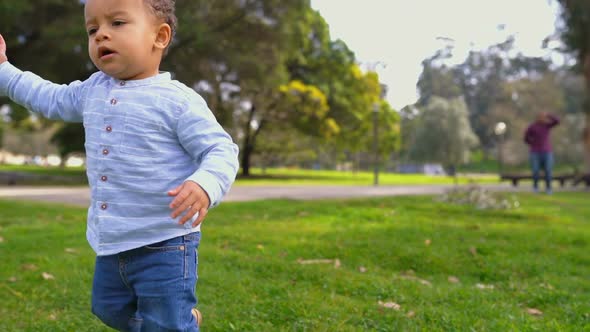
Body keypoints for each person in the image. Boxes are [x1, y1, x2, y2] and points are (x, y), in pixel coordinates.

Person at [0, 0, 239, 330]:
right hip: (111, 239)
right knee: (107, 308)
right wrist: (3, 69)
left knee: (163, 323)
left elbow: (221, 149)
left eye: (117, 23)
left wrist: (205, 184)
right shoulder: (93, 90)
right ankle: (183, 323)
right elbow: (49, 97)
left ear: (160, 36)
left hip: (166, 240)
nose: (101, 36)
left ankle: (176, 324)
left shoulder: (177, 100)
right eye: (92, 29)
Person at [524, 112, 560, 194]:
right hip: (535, 152)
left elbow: (557, 121)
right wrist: (532, 143)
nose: (542, 118)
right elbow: (526, 138)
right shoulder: (532, 127)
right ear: (537, 117)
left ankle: (548, 188)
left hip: (547, 152)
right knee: (535, 171)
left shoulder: (546, 126)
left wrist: (549, 115)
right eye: (540, 117)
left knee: (548, 170)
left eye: (543, 117)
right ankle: (535, 187)